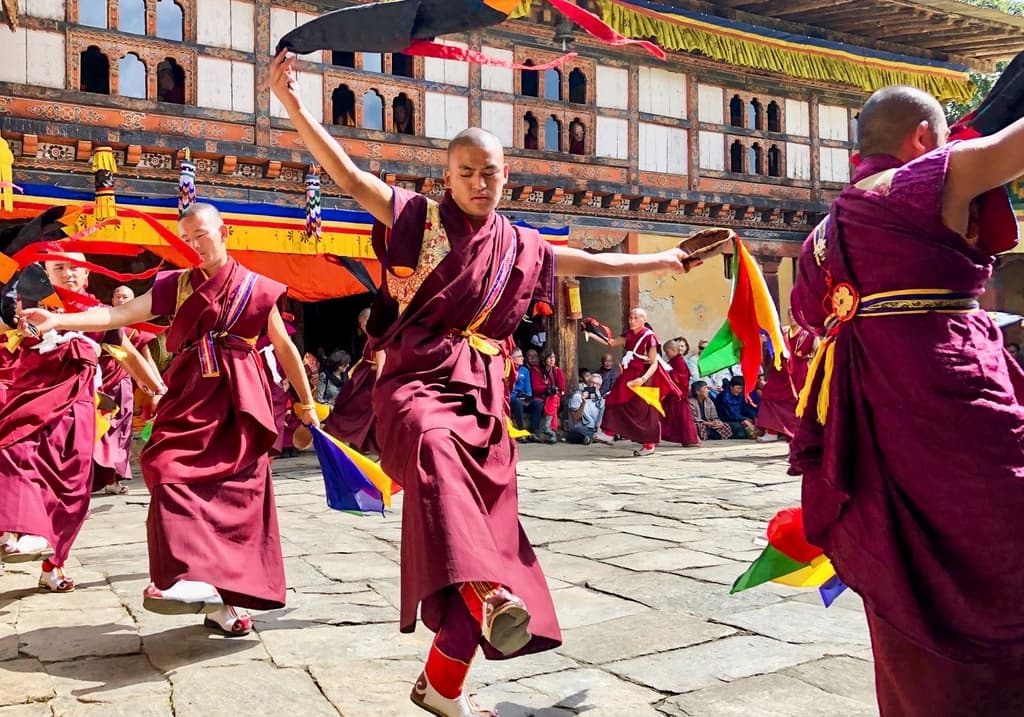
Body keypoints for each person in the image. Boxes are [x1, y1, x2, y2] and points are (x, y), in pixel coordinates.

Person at [269, 49, 697, 717]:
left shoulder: (520, 244)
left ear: (505, 177)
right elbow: (349, 178)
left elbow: (584, 256)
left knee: (485, 531)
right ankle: (488, 592)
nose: (479, 183)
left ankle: (442, 684)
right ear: (447, 174)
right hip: (415, 381)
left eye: (490, 174)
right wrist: (293, 104)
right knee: (436, 457)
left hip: (484, 394)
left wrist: (662, 258)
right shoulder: (418, 218)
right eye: (466, 172)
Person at [788, 85, 1024, 717]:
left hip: (872, 409)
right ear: (922, 139)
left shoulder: (824, 232)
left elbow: (808, 315)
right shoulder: (924, 179)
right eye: (943, 139)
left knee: (902, 565)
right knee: (1003, 540)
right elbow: (1012, 146)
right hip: (948, 385)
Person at [23, 203, 319, 636]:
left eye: (202, 235)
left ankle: (226, 601)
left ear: (224, 232)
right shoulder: (178, 284)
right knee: (167, 469)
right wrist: (59, 318)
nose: (196, 245)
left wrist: (306, 402)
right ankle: (187, 574)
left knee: (237, 496)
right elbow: (118, 315)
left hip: (240, 397)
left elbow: (283, 347)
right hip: (190, 393)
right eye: (188, 238)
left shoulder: (256, 286)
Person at [0, 249, 161, 593]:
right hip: (33, 401)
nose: (69, 274)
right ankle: (20, 529)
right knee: (16, 454)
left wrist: (156, 388)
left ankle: (53, 564)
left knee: (72, 492)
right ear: (46, 273)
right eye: (59, 268)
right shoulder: (26, 306)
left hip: (81, 409)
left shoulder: (97, 314)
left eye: (75, 268)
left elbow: (128, 354)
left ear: (87, 276)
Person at [93, 284, 162, 495]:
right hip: (97, 382)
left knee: (121, 432)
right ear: (112, 300)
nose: (122, 300)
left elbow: (142, 359)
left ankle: (113, 478)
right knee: (97, 432)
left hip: (121, 383)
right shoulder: (100, 318)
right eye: (118, 296)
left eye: (126, 297)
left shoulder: (137, 329)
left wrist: (158, 386)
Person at [592, 308, 674, 457]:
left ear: (644, 320)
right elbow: (611, 342)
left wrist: (642, 379)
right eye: (630, 318)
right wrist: (591, 334)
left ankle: (648, 444)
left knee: (642, 411)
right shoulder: (629, 335)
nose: (632, 321)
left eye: (636, 318)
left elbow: (654, 363)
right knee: (614, 399)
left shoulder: (650, 337)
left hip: (643, 377)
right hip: (629, 375)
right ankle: (609, 433)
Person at [323, 308, 381, 455]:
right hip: (365, 380)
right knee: (346, 404)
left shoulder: (379, 336)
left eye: (364, 323)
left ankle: (359, 442)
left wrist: (380, 385)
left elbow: (381, 362)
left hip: (372, 382)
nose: (363, 327)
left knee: (355, 408)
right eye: (361, 324)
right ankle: (355, 442)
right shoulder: (370, 339)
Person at [756, 312, 815, 443]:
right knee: (768, 394)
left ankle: (797, 434)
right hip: (783, 373)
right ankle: (771, 432)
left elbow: (816, 352)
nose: (792, 317)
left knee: (797, 404)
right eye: (790, 315)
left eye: (795, 315)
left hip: (801, 371)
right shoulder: (783, 333)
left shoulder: (808, 333)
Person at [661, 338, 699, 446]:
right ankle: (658, 435)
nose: (667, 355)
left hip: (679, 395)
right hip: (672, 395)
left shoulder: (679, 361)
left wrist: (666, 373)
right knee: (665, 415)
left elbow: (680, 377)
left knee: (683, 418)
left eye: (667, 352)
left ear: (673, 350)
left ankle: (690, 439)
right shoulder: (674, 361)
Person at [530, 350, 565, 444]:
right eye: (549, 358)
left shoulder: (557, 371)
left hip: (554, 398)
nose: (552, 360)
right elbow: (536, 388)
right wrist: (547, 390)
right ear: (544, 359)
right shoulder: (536, 370)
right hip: (540, 397)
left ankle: (548, 426)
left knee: (554, 399)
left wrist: (556, 391)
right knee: (546, 402)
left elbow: (562, 389)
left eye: (553, 357)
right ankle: (550, 431)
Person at [507, 348, 539, 441]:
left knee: (538, 404)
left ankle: (533, 431)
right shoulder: (508, 369)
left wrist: (527, 398)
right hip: (512, 399)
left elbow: (528, 389)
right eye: (519, 356)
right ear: (512, 358)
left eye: (522, 356)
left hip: (523, 399)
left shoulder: (525, 370)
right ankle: (521, 431)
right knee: (517, 402)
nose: (522, 358)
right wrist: (517, 398)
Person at [566, 373, 603, 444]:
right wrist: (583, 403)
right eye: (592, 382)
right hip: (580, 428)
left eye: (597, 384)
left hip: (593, 428)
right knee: (576, 432)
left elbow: (600, 418)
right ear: (588, 382)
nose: (594, 385)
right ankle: (591, 438)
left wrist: (599, 429)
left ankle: (590, 438)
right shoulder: (577, 396)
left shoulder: (599, 398)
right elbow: (575, 418)